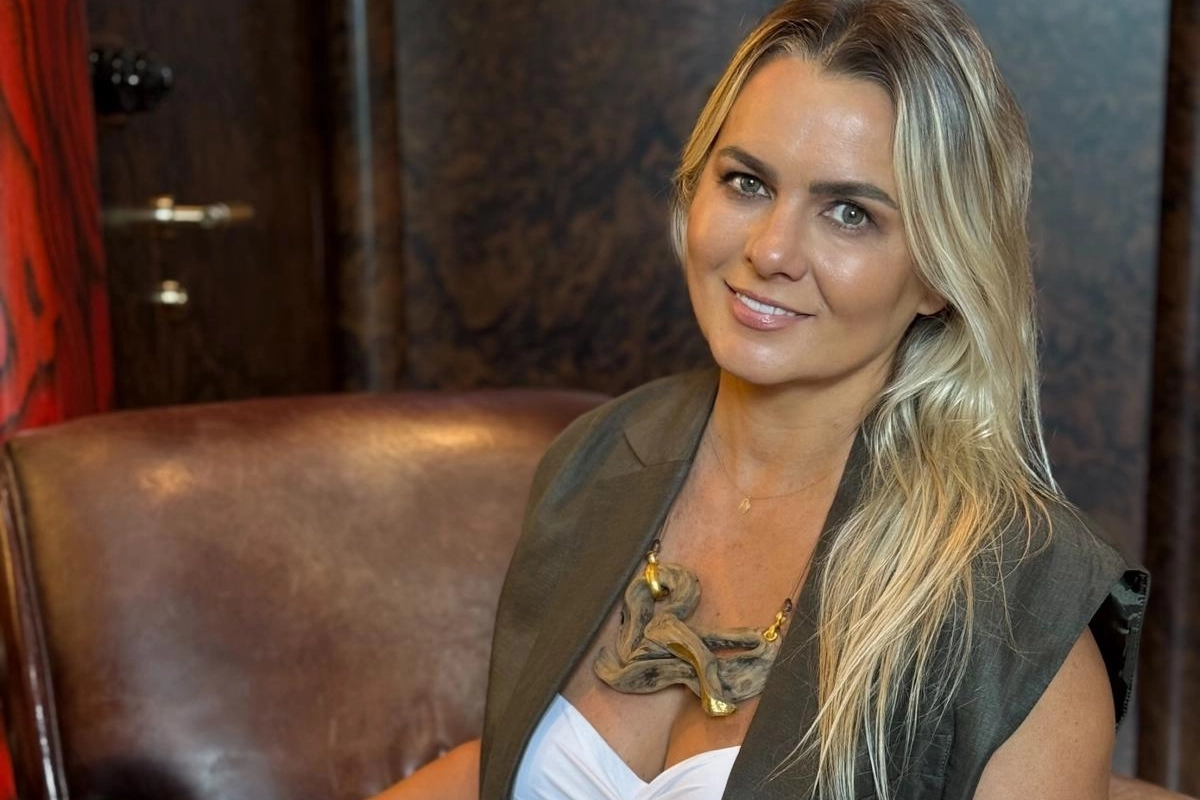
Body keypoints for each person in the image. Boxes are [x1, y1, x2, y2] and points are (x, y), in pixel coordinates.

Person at [374, 0, 1148, 797]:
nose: (771, 250)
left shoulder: (1020, 602)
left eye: (850, 213)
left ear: (940, 273)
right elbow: (501, 765)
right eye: (747, 182)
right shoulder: (592, 461)